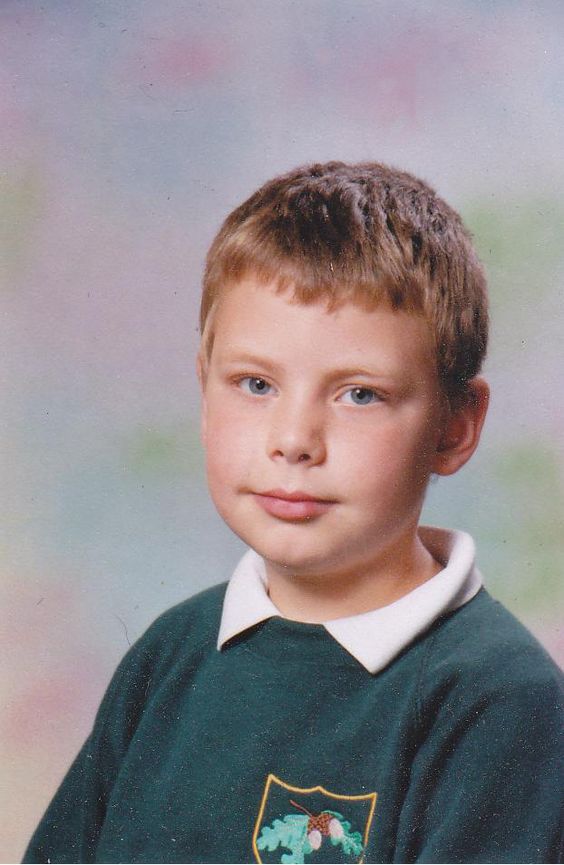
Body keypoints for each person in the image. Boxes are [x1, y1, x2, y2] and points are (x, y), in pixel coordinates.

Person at [24, 162, 562, 864]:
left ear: (455, 426)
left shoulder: (495, 699)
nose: (294, 440)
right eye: (255, 384)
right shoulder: (171, 653)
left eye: (359, 394)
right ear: (203, 390)